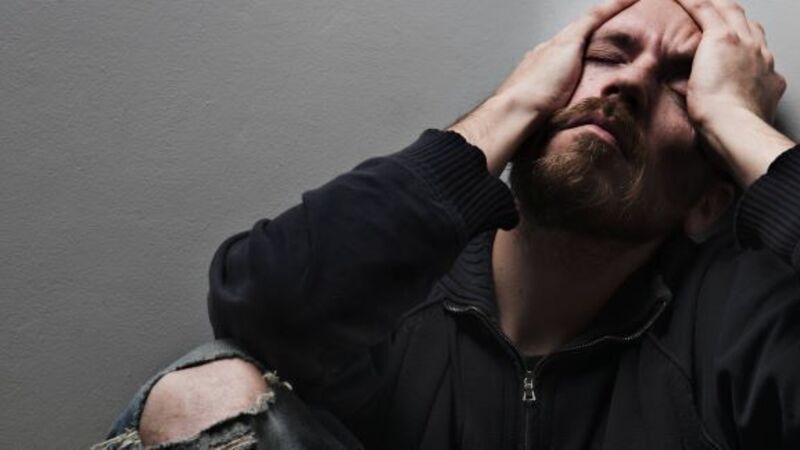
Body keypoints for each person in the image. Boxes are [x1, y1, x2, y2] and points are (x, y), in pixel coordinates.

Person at [96, 0, 800, 448]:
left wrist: (738, 123)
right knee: (203, 392)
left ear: (708, 203)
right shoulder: (390, 282)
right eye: (606, 54)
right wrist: (511, 105)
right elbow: (260, 304)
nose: (627, 81)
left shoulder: (732, 323)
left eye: (682, 86)